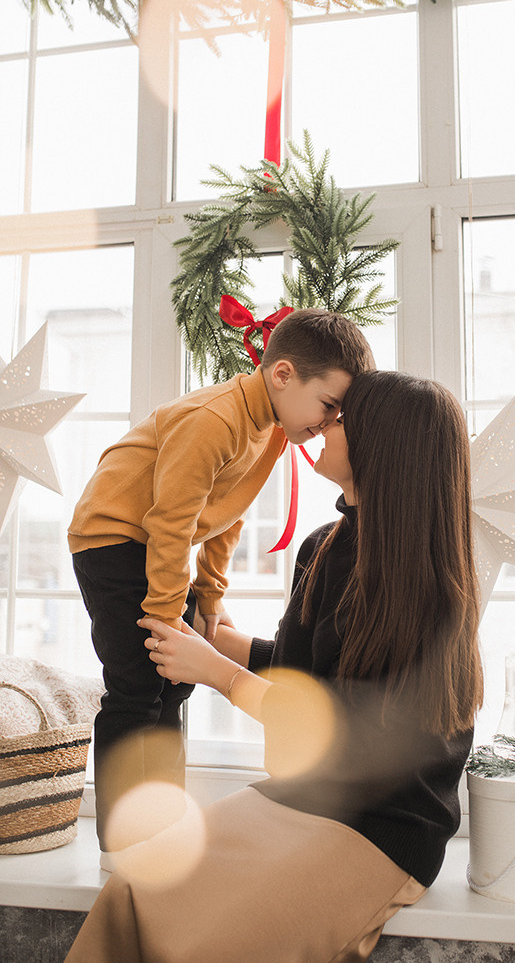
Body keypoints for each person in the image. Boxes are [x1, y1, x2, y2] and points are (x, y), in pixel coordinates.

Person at [65, 370, 484, 963]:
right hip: (300, 797)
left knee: (215, 947)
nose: (324, 425)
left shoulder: (420, 582)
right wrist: (222, 642)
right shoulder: (324, 547)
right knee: (133, 889)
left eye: (342, 417)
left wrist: (217, 672)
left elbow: (342, 724)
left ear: (381, 445)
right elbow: (308, 674)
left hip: (380, 827)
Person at [68, 308, 375, 864]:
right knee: (137, 685)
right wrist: (165, 616)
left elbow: (226, 514)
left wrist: (208, 599)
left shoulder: (273, 432)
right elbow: (170, 522)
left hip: (158, 548)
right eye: (329, 406)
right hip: (113, 541)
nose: (331, 422)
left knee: (175, 684)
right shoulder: (214, 420)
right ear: (282, 375)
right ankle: (121, 841)